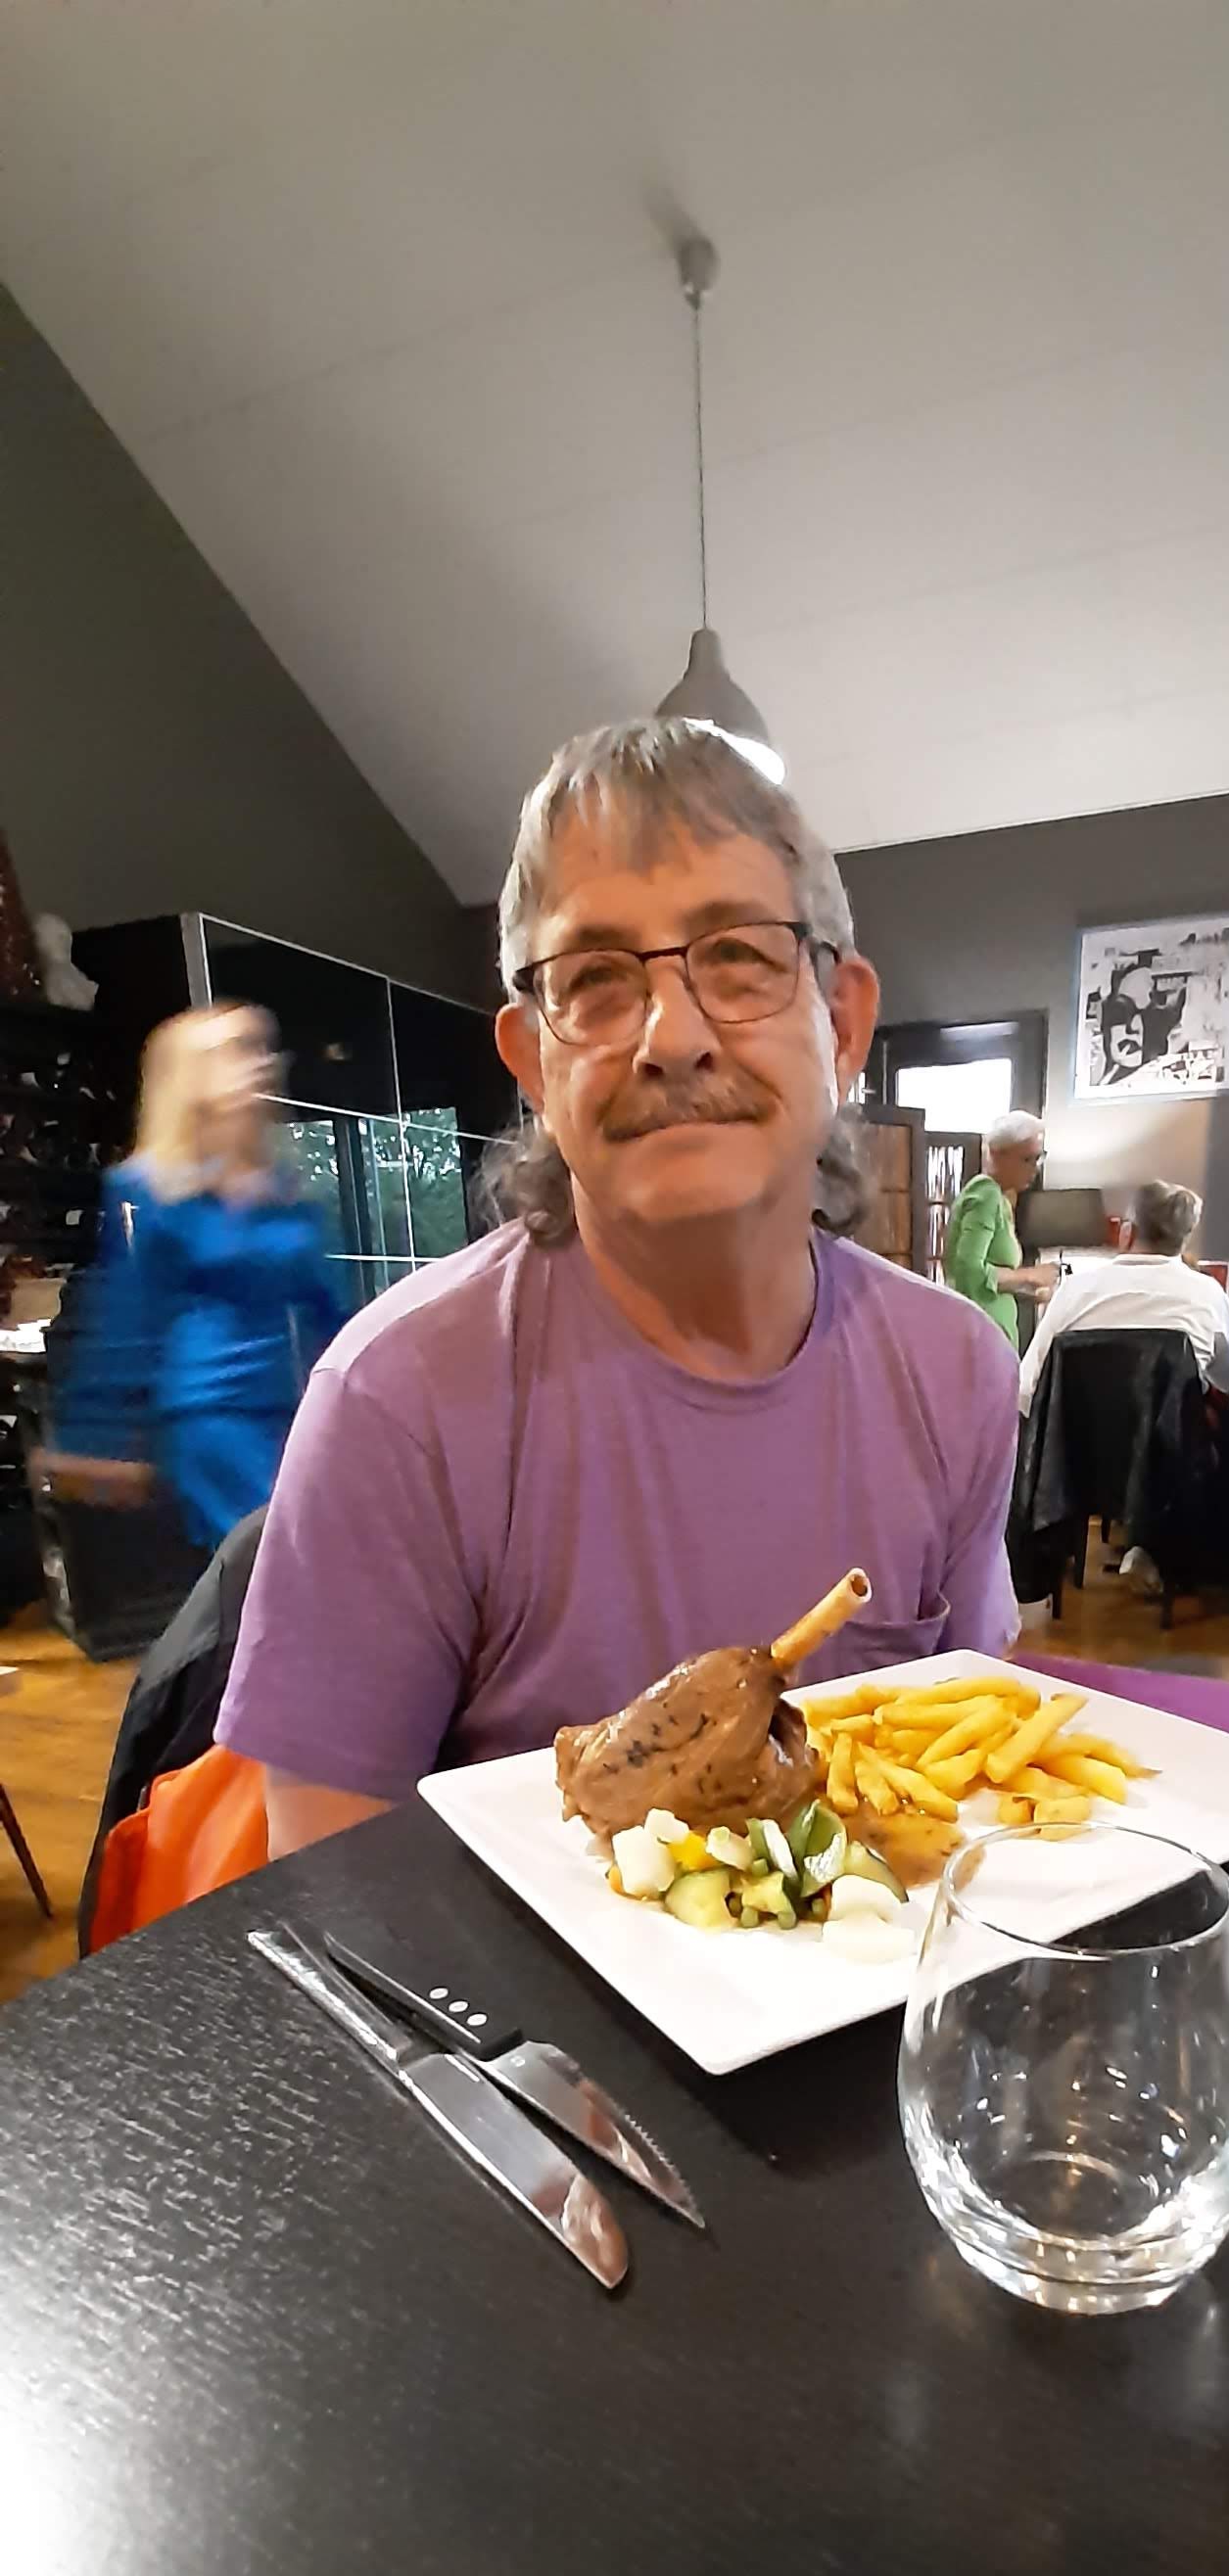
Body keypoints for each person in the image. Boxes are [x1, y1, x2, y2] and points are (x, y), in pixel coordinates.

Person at [217, 721, 1022, 1858]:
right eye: (594, 979)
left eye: (738, 956)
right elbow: (330, 1891)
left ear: (843, 1024)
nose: (671, 1036)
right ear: (531, 1063)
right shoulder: (398, 1401)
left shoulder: (958, 1372)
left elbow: (972, 1790)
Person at [49, 1003, 343, 1554]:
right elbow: (126, 1314)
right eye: (237, 1050)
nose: (259, 1063)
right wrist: (96, 1438)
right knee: (280, 1559)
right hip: (212, 1416)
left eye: (261, 1048)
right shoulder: (151, 1188)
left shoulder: (285, 1189)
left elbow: (329, 1309)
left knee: (315, 1556)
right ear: (193, 1076)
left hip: (291, 1407)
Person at [1017, 1180, 1229, 1417]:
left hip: (1077, 1439)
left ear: (1127, 1233)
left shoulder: (1074, 1291)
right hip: (1172, 1439)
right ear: (1183, 1241)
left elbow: (1026, 1390)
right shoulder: (1209, 1295)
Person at [943, 1112, 1059, 1346]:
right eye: (1027, 1159)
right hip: (981, 1334)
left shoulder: (998, 1197)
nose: (1034, 1168)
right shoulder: (986, 1195)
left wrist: (1028, 1289)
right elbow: (968, 1271)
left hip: (990, 1330)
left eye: (1038, 1158)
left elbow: (991, 1281)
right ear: (997, 1154)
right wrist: (1029, 1275)